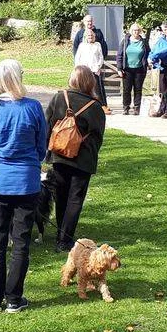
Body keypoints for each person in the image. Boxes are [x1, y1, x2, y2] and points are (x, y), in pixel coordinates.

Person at [0, 59, 48, 313]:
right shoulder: (32, 108)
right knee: (21, 242)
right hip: (26, 181)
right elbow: (41, 145)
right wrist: (31, 162)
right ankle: (14, 298)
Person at [45, 65, 106, 252]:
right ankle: (65, 240)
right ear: (90, 82)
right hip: (83, 159)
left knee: (61, 195)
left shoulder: (59, 97)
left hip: (59, 154)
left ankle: (60, 235)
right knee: (75, 199)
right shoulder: (95, 106)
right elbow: (98, 136)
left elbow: (47, 124)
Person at [72, 15, 108, 105]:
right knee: (82, 87)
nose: (89, 23)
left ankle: (102, 105)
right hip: (83, 68)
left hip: (95, 68)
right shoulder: (80, 34)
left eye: (91, 21)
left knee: (98, 88)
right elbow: (76, 50)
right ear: (84, 22)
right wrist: (78, 67)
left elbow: (103, 50)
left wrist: (98, 66)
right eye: (87, 21)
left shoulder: (98, 33)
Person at [116, 23, 150, 115]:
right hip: (127, 69)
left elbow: (148, 53)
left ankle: (136, 108)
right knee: (126, 89)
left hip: (140, 69)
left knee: (138, 89)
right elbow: (119, 55)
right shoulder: (125, 41)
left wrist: (149, 62)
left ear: (140, 31)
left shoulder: (143, 42)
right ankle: (126, 107)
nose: (136, 32)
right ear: (131, 31)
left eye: (138, 30)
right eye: (134, 30)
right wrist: (119, 68)